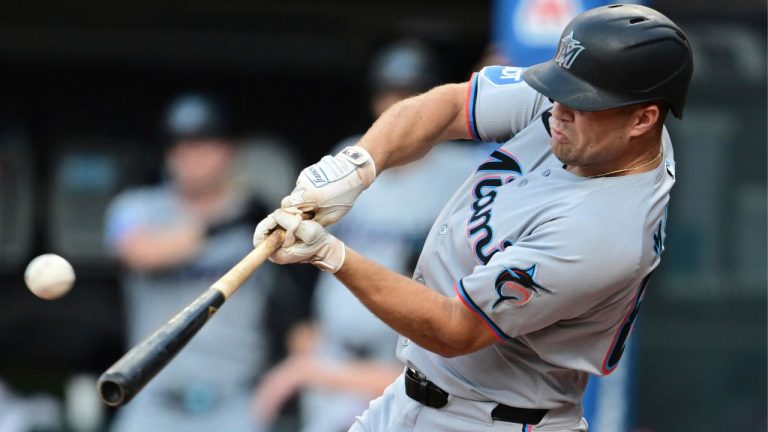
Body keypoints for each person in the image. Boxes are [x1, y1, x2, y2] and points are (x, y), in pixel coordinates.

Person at [254, 4, 693, 432]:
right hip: (409, 398)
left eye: (580, 102)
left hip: (497, 419)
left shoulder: (604, 232)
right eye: (560, 91)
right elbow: (450, 105)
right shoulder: (593, 119)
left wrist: (331, 255)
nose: (558, 109)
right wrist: (359, 165)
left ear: (643, 119)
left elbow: (454, 329)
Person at [252, 40, 494, 432]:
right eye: (389, 93)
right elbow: (298, 251)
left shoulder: (465, 171)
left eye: (410, 94)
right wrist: (303, 325)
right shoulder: (347, 158)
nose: (396, 105)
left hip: (407, 350)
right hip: (333, 349)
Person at [105, 92, 273, 432]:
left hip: (233, 404)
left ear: (229, 151)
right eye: (181, 146)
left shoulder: (263, 221)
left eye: (203, 145)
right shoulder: (135, 208)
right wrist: (221, 225)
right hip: (152, 400)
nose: (190, 157)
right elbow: (139, 251)